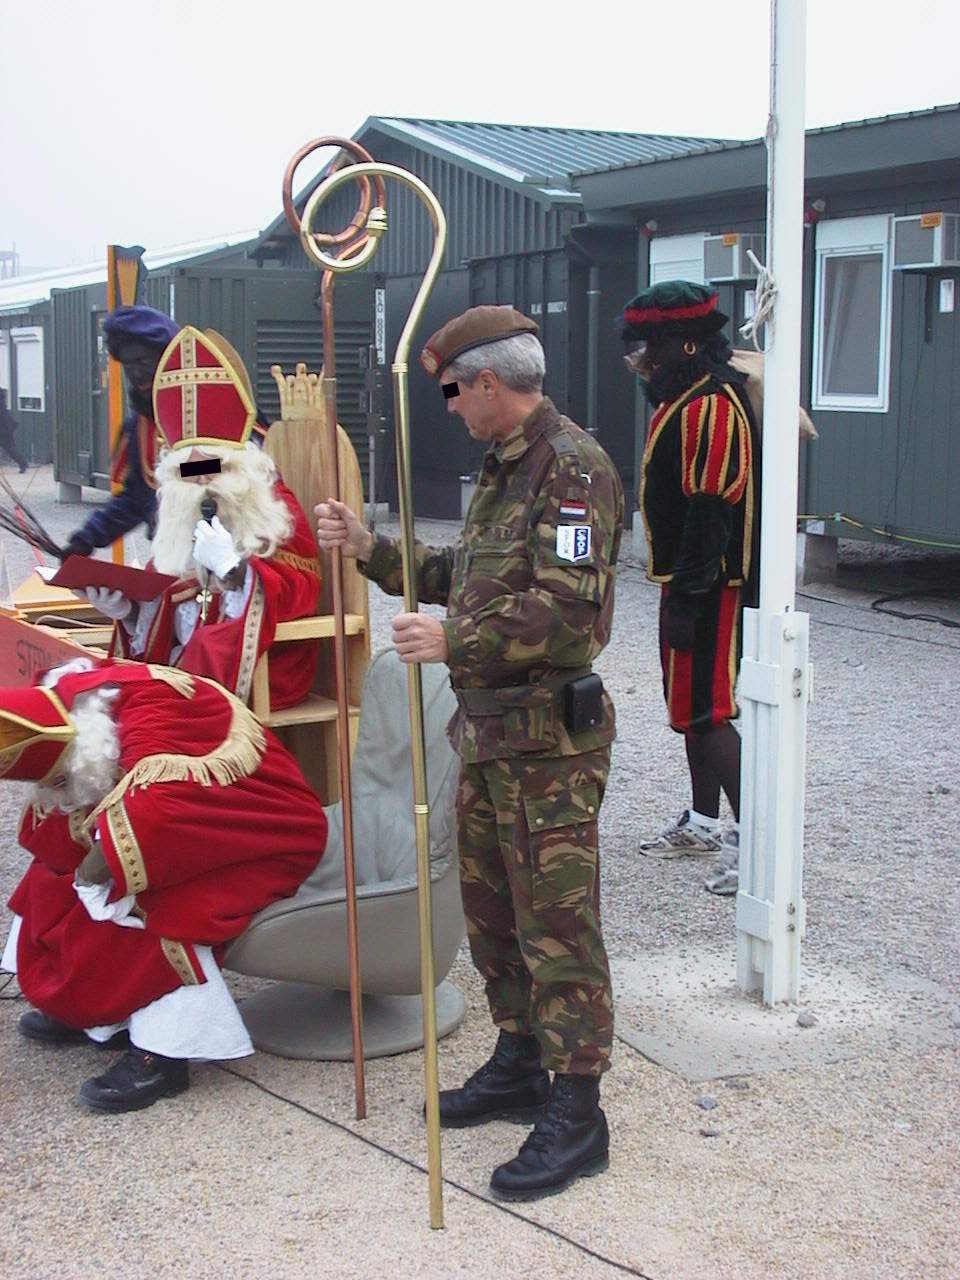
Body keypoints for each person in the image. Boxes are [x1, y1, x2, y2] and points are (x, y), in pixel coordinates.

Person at [316, 305, 624, 1202]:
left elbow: (571, 616)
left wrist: (454, 644)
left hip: (547, 748)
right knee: (493, 916)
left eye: (455, 392)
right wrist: (375, 553)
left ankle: (579, 1109)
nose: (450, 407)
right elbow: (471, 576)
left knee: (558, 927)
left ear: (489, 382)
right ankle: (523, 1059)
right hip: (487, 737)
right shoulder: (503, 469)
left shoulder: (574, 470)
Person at [0, 656, 327, 1112]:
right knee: (51, 873)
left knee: (156, 904)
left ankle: (164, 1055)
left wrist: (96, 872)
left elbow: (159, 812)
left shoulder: (155, 718)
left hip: (262, 832)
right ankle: (95, 1015)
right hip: (201, 825)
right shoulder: (79, 698)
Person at [96, 326, 321, 712]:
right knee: (105, 693)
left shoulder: (272, 505)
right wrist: (128, 611)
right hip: (187, 663)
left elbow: (303, 591)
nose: (200, 481)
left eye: (211, 467)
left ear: (241, 464)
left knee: (159, 702)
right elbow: (165, 591)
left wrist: (235, 570)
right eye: (188, 471)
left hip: (259, 664)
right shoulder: (181, 515)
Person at [620, 280, 759, 896]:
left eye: (648, 347)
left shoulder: (711, 405)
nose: (641, 361)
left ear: (683, 344)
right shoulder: (687, 398)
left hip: (711, 585)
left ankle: (760, 843)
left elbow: (711, 511)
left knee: (709, 713)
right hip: (689, 582)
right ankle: (705, 822)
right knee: (690, 712)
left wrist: (691, 595)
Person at [62, 305, 180, 560]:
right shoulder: (139, 428)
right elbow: (136, 499)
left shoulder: (219, 407)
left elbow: (244, 467)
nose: (136, 373)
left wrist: (181, 470)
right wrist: (88, 537)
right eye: (129, 366)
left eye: (144, 362)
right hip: (170, 555)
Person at [0, 387, 29, 473]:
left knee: (10, 448)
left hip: (3, 430)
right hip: (6, 428)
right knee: (10, 448)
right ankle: (23, 463)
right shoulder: (2, 402)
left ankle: (23, 463)